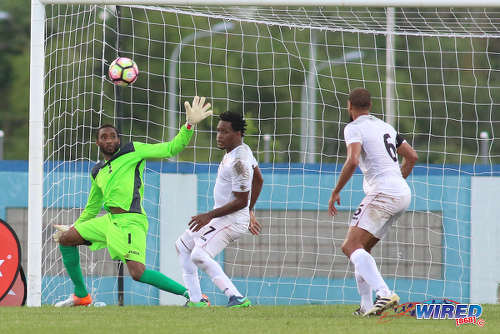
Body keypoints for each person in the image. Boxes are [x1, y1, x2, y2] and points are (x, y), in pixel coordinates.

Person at [52, 96, 213, 307]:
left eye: (112, 136)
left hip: (131, 221)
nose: (109, 140)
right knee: (66, 238)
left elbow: (171, 148)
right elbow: (92, 208)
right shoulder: (97, 171)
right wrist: (76, 226)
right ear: (98, 142)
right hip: (109, 221)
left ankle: (194, 296)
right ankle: (81, 296)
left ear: (119, 140)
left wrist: (189, 125)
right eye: (104, 137)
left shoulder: (133, 151)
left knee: (137, 272)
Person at [328, 88, 418, 316]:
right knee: (363, 249)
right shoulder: (385, 126)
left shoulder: (353, 128)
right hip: (402, 194)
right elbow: (412, 156)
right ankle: (367, 306)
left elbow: (352, 160)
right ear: (370, 105)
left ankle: (384, 293)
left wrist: (336, 191)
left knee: (349, 246)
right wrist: (397, 181)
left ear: (349, 106)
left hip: (384, 193)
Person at [175, 111, 264, 308]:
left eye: (225, 132)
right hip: (225, 217)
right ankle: (196, 301)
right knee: (182, 245)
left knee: (199, 255)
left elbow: (240, 200)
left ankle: (237, 297)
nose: (219, 136)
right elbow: (259, 179)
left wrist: (210, 215)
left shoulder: (239, 162)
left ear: (238, 133)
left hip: (231, 221)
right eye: (218, 131)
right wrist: (250, 210)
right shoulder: (242, 151)